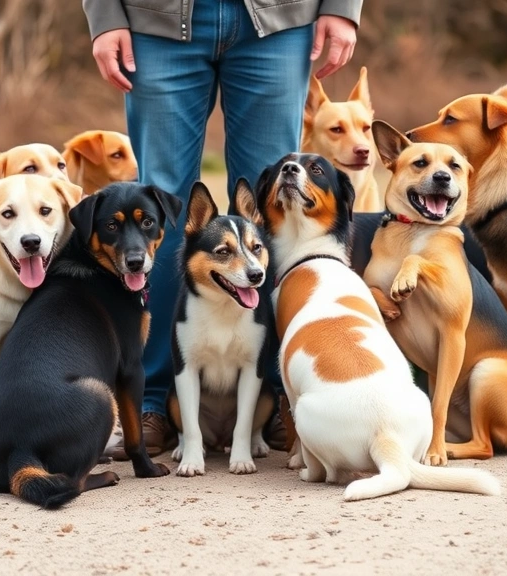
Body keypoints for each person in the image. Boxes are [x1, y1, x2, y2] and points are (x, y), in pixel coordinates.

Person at [82, 0, 363, 458]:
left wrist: (342, 6)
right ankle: (155, 400)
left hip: (280, 20)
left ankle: (274, 399)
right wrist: (105, 16)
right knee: (163, 214)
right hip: (155, 22)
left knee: (271, 210)